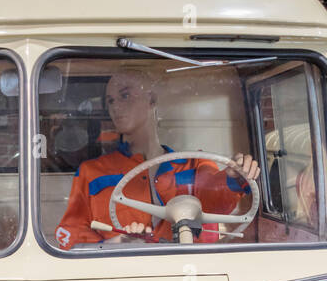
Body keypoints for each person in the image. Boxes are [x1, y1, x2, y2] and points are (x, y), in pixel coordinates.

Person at [54, 70, 260, 250]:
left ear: (151, 100)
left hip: (194, 274)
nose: (116, 106)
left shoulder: (195, 163)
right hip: (124, 278)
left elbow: (215, 199)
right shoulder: (91, 172)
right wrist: (112, 245)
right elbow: (69, 234)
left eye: (125, 95)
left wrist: (234, 177)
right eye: (110, 101)